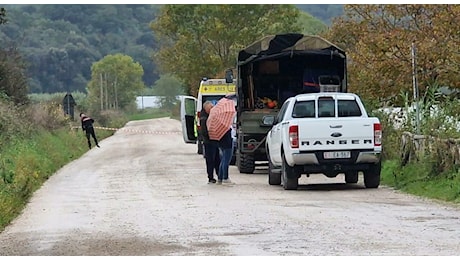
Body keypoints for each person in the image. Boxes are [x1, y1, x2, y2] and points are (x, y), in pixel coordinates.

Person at [199, 101, 220, 184]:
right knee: (210, 160)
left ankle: (219, 175)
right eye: (210, 108)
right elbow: (204, 131)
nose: (212, 109)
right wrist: (211, 136)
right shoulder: (204, 117)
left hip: (214, 140)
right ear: (206, 108)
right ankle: (210, 177)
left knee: (217, 159)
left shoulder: (211, 115)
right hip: (208, 142)